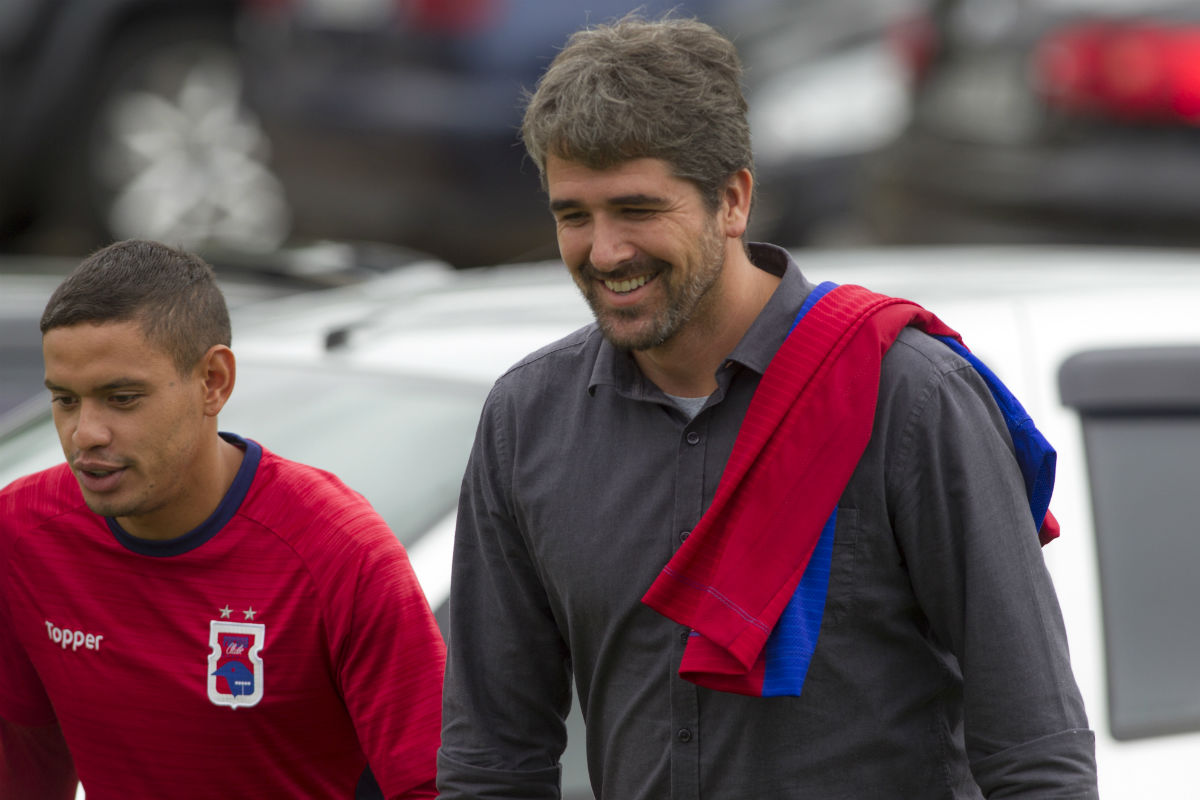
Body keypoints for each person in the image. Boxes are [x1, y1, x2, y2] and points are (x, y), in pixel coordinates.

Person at [436, 14, 1098, 800]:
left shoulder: (907, 398)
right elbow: (491, 761)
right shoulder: (527, 420)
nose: (605, 251)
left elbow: (1036, 753)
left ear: (734, 200)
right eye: (573, 215)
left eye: (638, 210)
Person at [0, 240, 445, 799]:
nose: (86, 433)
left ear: (213, 381)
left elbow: (436, 786)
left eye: (122, 398)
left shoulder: (340, 552)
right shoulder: (22, 532)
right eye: (65, 400)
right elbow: (23, 762)